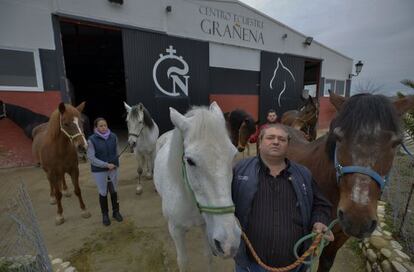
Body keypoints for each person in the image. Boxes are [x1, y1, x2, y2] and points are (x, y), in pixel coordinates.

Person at [232, 124, 333, 272]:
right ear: (260, 143)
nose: (276, 142)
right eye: (270, 138)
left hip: (294, 264)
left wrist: (319, 221)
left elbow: (321, 205)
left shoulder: (304, 174)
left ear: (288, 145)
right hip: (250, 264)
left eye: (282, 139)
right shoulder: (240, 170)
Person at [87, 117, 123, 226]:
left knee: (114, 190)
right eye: (101, 126)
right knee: (103, 192)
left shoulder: (113, 137)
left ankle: (116, 212)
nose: (103, 127)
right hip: (99, 171)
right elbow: (91, 158)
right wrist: (106, 165)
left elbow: (117, 151)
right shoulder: (91, 140)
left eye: (105, 125)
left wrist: (116, 162)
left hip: (113, 169)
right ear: (96, 127)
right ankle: (105, 215)